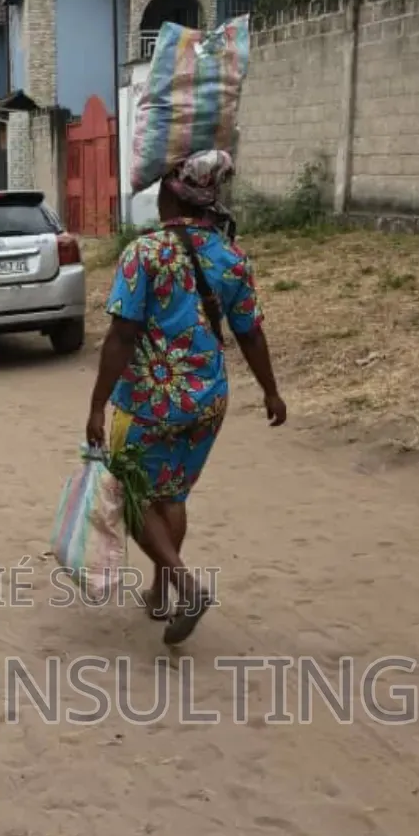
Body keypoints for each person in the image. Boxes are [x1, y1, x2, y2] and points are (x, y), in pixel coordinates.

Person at [84, 150, 286, 645]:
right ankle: (159, 591)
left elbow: (122, 336)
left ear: (172, 192)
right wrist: (270, 391)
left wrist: (95, 405)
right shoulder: (231, 256)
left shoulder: (145, 253)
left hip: (149, 402)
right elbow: (250, 334)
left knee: (131, 499)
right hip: (207, 402)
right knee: (170, 494)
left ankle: (185, 584)